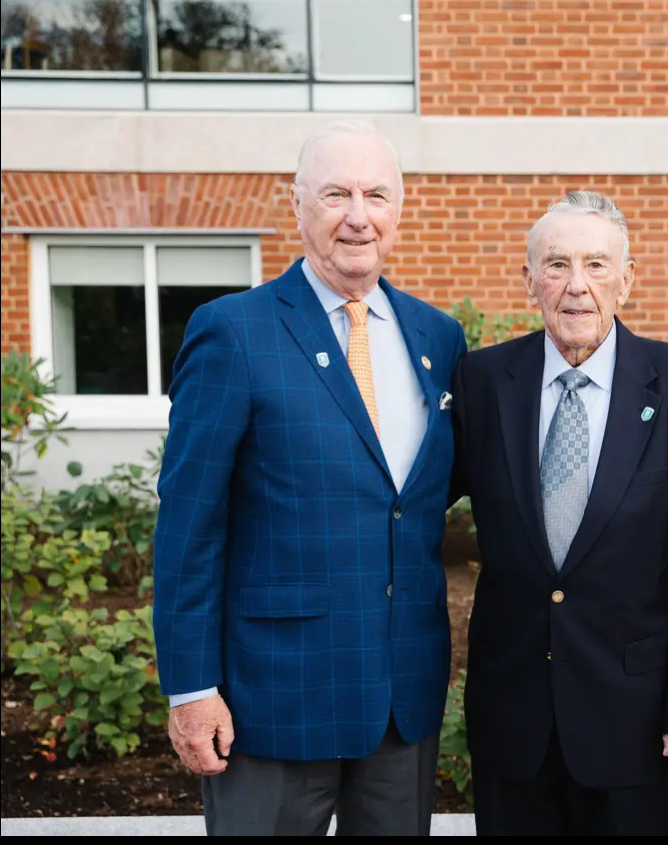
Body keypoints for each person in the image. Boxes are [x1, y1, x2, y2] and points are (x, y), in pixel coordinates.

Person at [152, 120, 467, 836]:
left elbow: (413, 498)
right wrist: (193, 688)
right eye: (336, 193)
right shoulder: (233, 330)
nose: (358, 215)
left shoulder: (437, 339)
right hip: (272, 698)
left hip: (400, 699)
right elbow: (188, 522)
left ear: (399, 210)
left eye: (376, 195)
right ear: (296, 206)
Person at [450, 191, 668, 836]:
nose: (576, 286)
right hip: (512, 715)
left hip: (636, 721)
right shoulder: (481, 382)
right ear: (529, 282)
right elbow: (414, 507)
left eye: (597, 265)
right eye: (556, 265)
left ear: (627, 280)